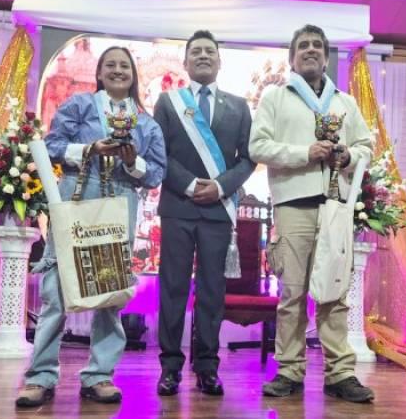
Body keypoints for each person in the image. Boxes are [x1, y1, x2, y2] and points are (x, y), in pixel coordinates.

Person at [15, 46, 166, 407]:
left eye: (124, 66)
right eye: (110, 65)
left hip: (120, 204)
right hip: (77, 198)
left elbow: (156, 173)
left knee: (109, 292)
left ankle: (99, 375)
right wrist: (89, 149)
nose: (117, 70)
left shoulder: (146, 123)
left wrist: (132, 162)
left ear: (133, 75)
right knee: (57, 289)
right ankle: (40, 376)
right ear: (99, 73)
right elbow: (52, 145)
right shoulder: (79, 105)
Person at [249, 24, 374, 403]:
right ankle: (289, 369)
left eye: (317, 45)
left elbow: (366, 146)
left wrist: (348, 155)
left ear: (325, 57)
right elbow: (258, 146)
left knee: (334, 291)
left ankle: (340, 373)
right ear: (292, 57)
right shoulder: (275, 97)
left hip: (335, 206)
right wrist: (305, 153)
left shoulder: (344, 103)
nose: (310, 50)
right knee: (292, 293)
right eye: (303, 45)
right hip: (293, 204)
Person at [153, 30, 255, 396]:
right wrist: (191, 185)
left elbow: (248, 159)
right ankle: (169, 367)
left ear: (219, 61)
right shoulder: (168, 102)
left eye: (209, 51)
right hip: (178, 208)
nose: (203, 56)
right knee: (173, 288)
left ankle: (208, 367)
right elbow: (159, 153)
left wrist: (222, 186)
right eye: (195, 51)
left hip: (217, 212)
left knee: (212, 291)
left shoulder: (239, 107)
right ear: (185, 61)